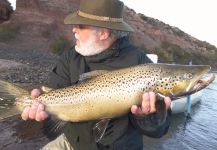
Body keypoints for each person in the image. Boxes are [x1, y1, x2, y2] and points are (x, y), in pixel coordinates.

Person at [21, 0, 172, 149]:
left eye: (80, 25)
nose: (74, 29)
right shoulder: (70, 57)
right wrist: (38, 107)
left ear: (103, 33)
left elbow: (160, 130)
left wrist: (147, 117)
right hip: (73, 143)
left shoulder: (142, 64)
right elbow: (52, 92)